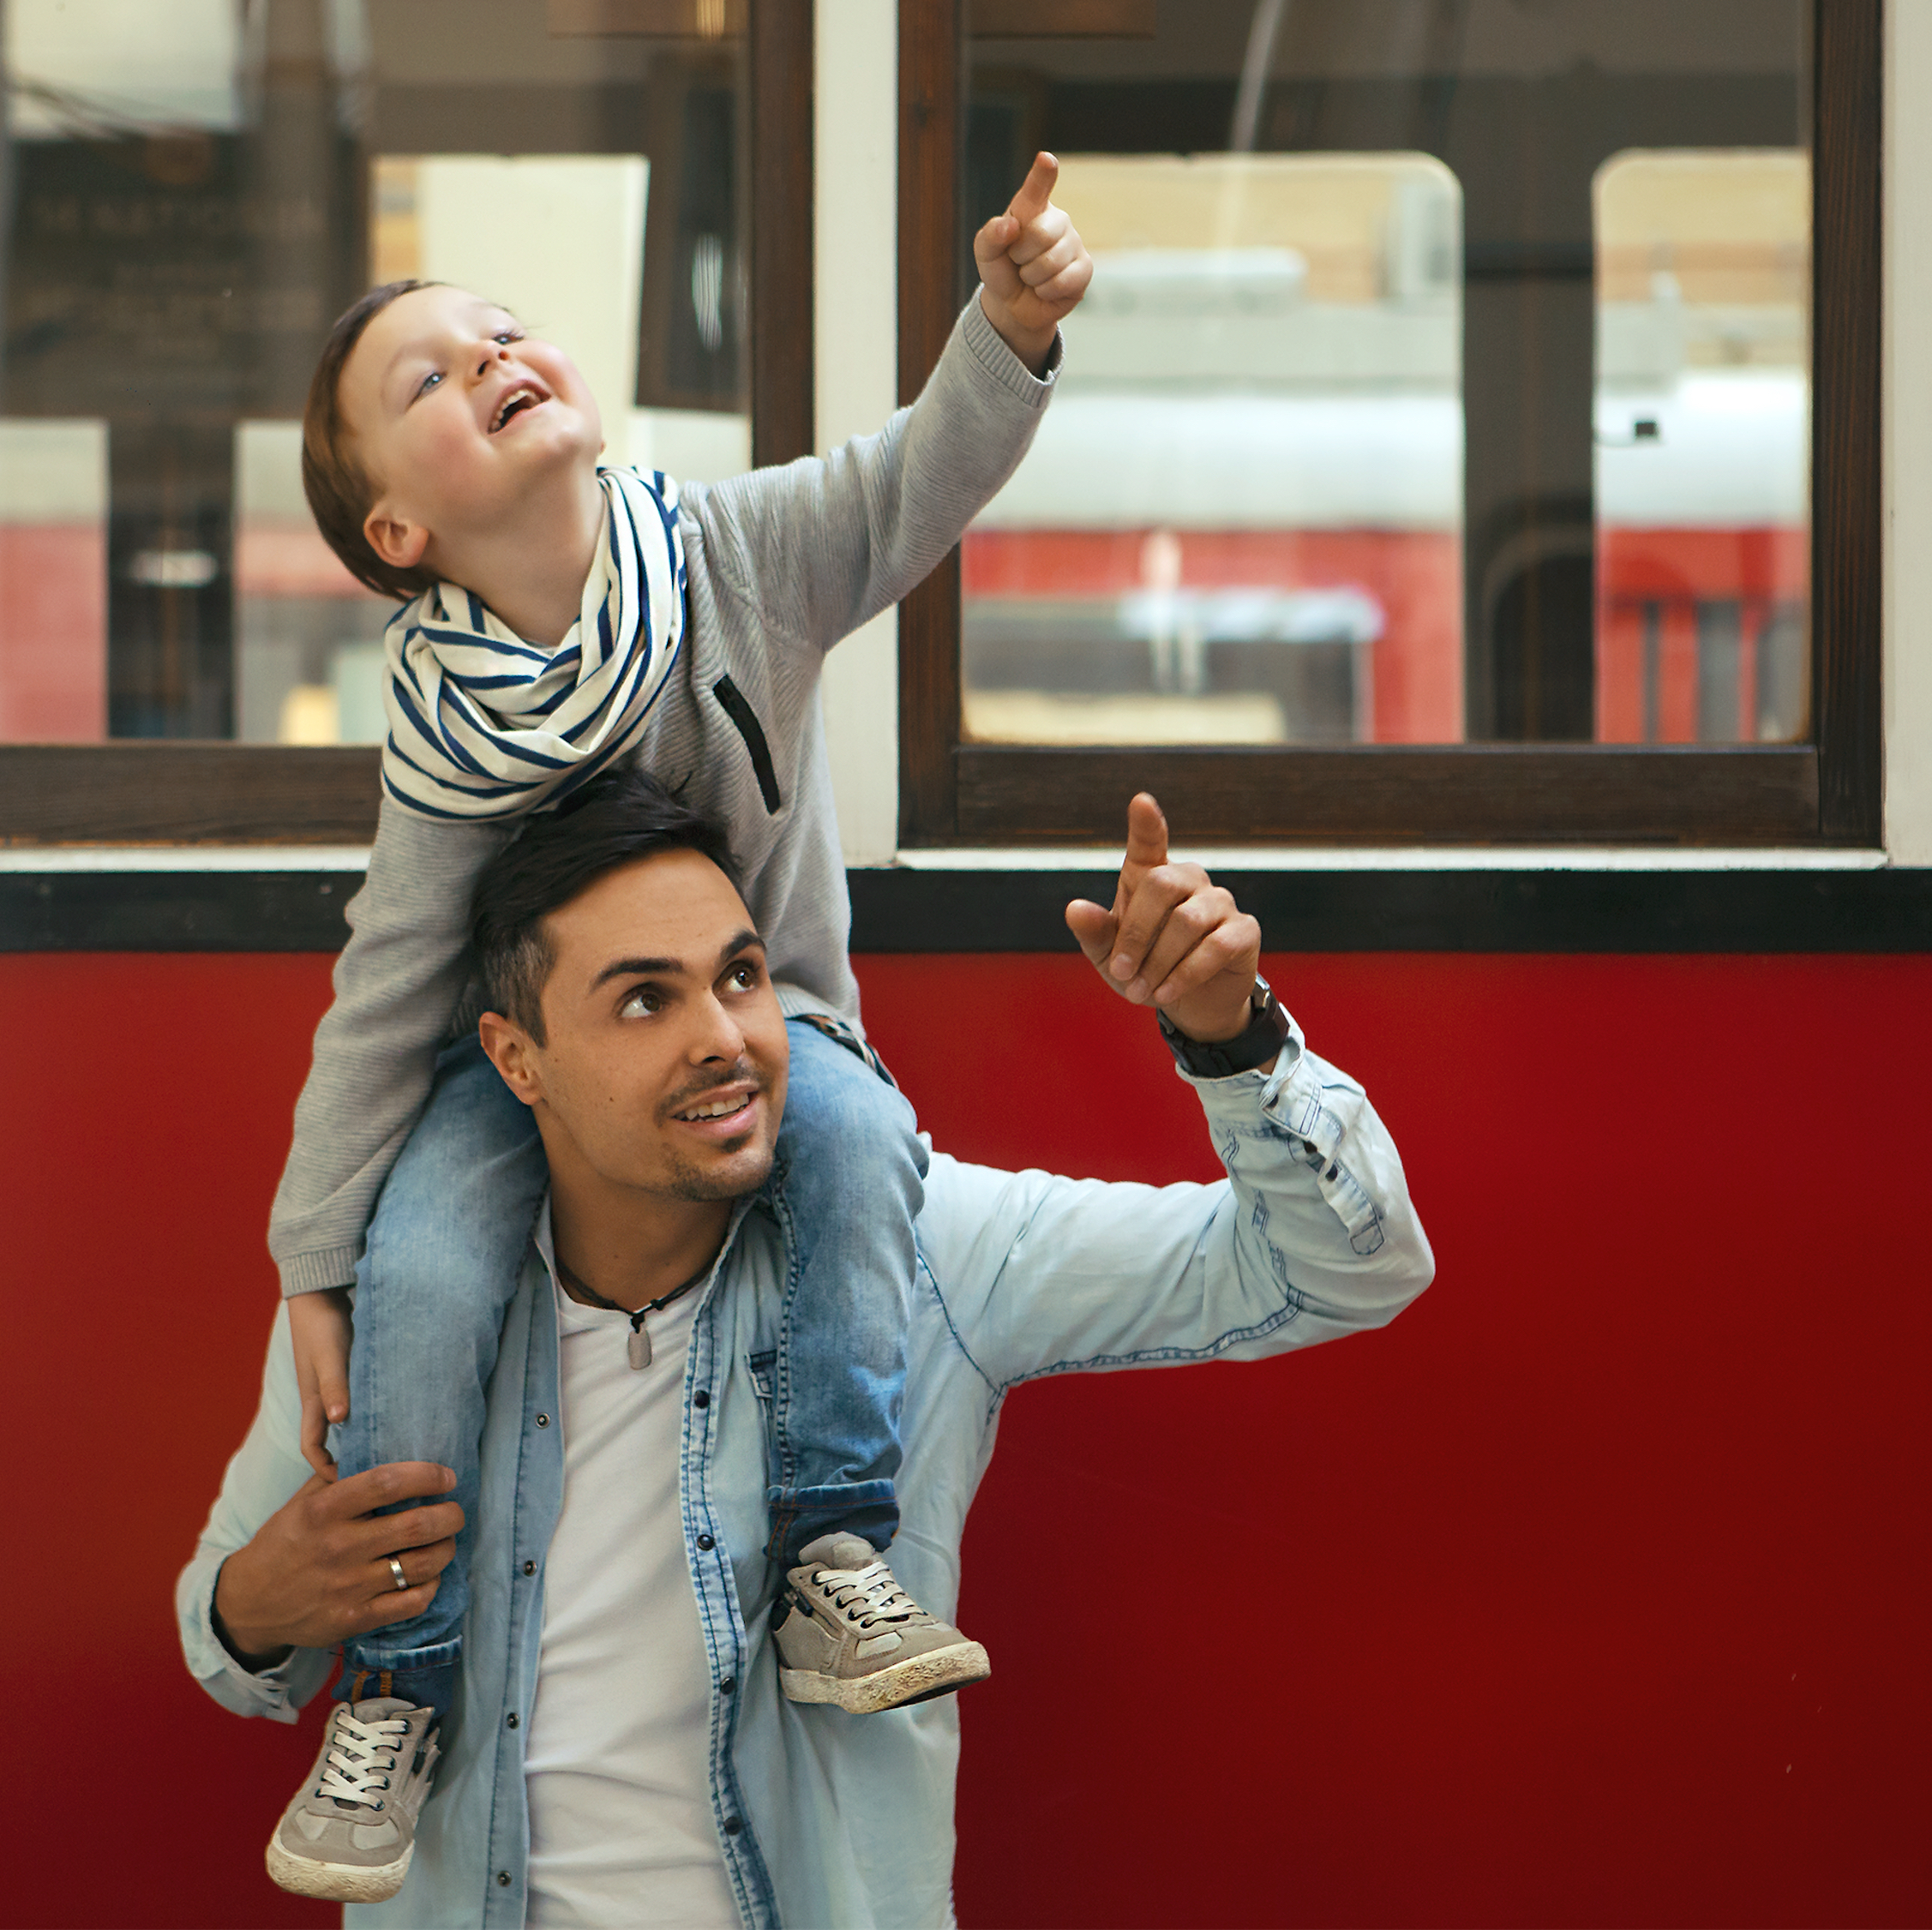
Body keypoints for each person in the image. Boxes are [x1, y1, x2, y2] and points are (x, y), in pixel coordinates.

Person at [252, 152, 1094, 1900]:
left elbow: (908, 483)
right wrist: (312, 1260)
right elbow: (388, 987)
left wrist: (1006, 329)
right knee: (422, 1260)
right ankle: (399, 1689)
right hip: (531, 1078)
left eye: (500, 329)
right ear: (398, 535)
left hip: (772, 1022)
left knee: (860, 1142)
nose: (491, 356)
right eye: (429, 376)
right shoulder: (443, 736)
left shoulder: (732, 553)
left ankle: (830, 1559)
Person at [178, 771, 1435, 1927]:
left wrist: (1232, 1036)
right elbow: (226, 1648)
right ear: (518, 1059)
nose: (724, 1037)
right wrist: (256, 1606)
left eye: (739, 976)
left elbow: (1341, 1268)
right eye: (644, 999)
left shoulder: (919, 1253)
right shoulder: (398, 1311)